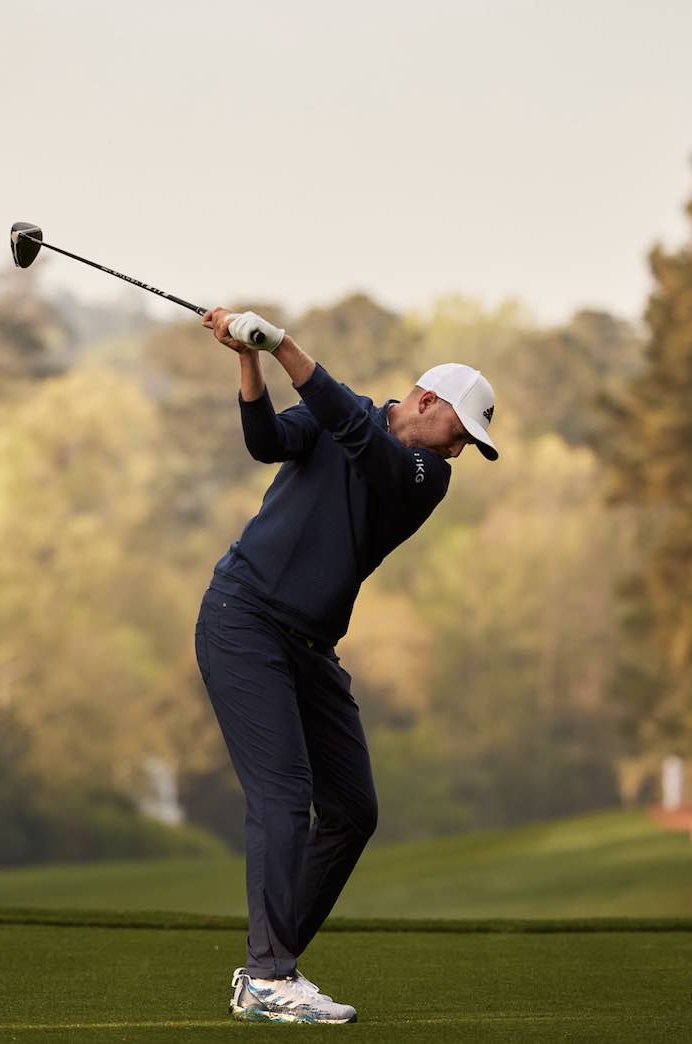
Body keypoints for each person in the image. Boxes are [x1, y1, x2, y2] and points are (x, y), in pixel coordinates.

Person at [191, 307, 499, 1024]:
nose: (458, 453)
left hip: (310, 646)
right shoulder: (347, 416)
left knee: (352, 810)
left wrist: (285, 348)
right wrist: (249, 358)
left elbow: (357, 436)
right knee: (282, 792)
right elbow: (266, 439)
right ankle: (270, 975)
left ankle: (267, 963)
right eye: (459, 435)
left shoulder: (423, 475)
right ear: (427, 401)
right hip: (244, 619)